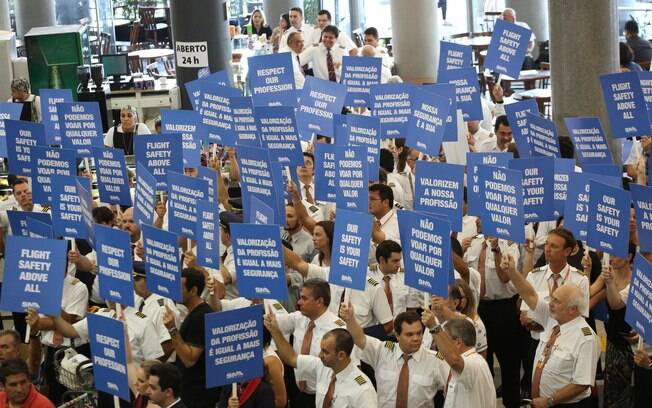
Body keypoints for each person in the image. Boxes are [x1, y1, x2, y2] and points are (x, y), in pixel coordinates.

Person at [502, 254, 599, 408]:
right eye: (552, 298)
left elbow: (581, 384)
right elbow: (530, 294)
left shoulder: (586, 338)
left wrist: (549, 401)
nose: (550, 304)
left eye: (556, 301)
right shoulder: (553, 319)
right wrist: (512, 272)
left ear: (572, 309)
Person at [461, 219, 523, 408]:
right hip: (478, 308)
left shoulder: (509, 243)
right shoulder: (472, 243)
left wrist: (496, 249)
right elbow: (464, 277)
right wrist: (460, 250)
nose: (478, 220)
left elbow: (505, 277)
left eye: (483, 215)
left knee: (509, 364)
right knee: (480, 364)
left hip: (503, 309)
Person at [265, 312, 377, 408]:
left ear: (341, 355)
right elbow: (291, 358)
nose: (320, 355)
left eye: (325, 352)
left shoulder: (363, 390)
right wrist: (275, 331)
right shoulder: (322, 366)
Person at [341, 306, 447, 407]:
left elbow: (454, 389)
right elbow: (359, 339)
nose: (416, 338)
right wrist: (350, 319)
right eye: (409, 334)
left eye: (419, 333)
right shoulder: (382, 352)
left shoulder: (435, 361)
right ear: (397, 335)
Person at [272, 278, 345, 408]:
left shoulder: (338, 330)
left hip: (323, 397)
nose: (299, 302)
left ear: (319, 301)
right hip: (297, 392)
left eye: (304, 298)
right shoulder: (300, 317)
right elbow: (273, 322)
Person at [162, 269, 219, 408]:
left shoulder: (200, 317)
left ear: (193, 290)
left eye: (179, 287)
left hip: (198, 395)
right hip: (191, 390)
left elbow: (189, 359)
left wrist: (172, 329)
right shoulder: (194, 313)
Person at [588, 247, 635, 407]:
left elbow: (617, 306)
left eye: (617, 254)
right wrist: (588, 272)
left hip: (634, 344)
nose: (612, 258)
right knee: (614, 393)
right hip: (614, 343)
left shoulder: (638, 280)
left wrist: (609, 284)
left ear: (629, 256)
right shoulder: (607, 276)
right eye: (611, 254)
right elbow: (588, 298)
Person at [421, 313, 496, 408]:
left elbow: (454, 360)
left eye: (444, 339)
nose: (437, 344)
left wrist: (434, 327)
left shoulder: (475, 362)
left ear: (458, 342)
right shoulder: (459, 364)